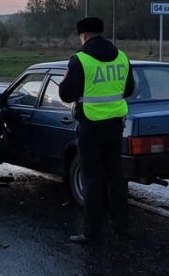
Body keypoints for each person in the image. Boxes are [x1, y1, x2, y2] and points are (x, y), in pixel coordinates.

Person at [58, 16, 135, 244]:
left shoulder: (80, 60)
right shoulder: (121, 57)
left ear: (83, 36)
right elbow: (129, 89)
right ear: (101, 33)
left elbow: (66, 95)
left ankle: (92, 233)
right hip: (115, 125)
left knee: (92, 179)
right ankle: (121, 229)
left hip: (90, 126)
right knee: (115, 177)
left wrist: (64, 81)